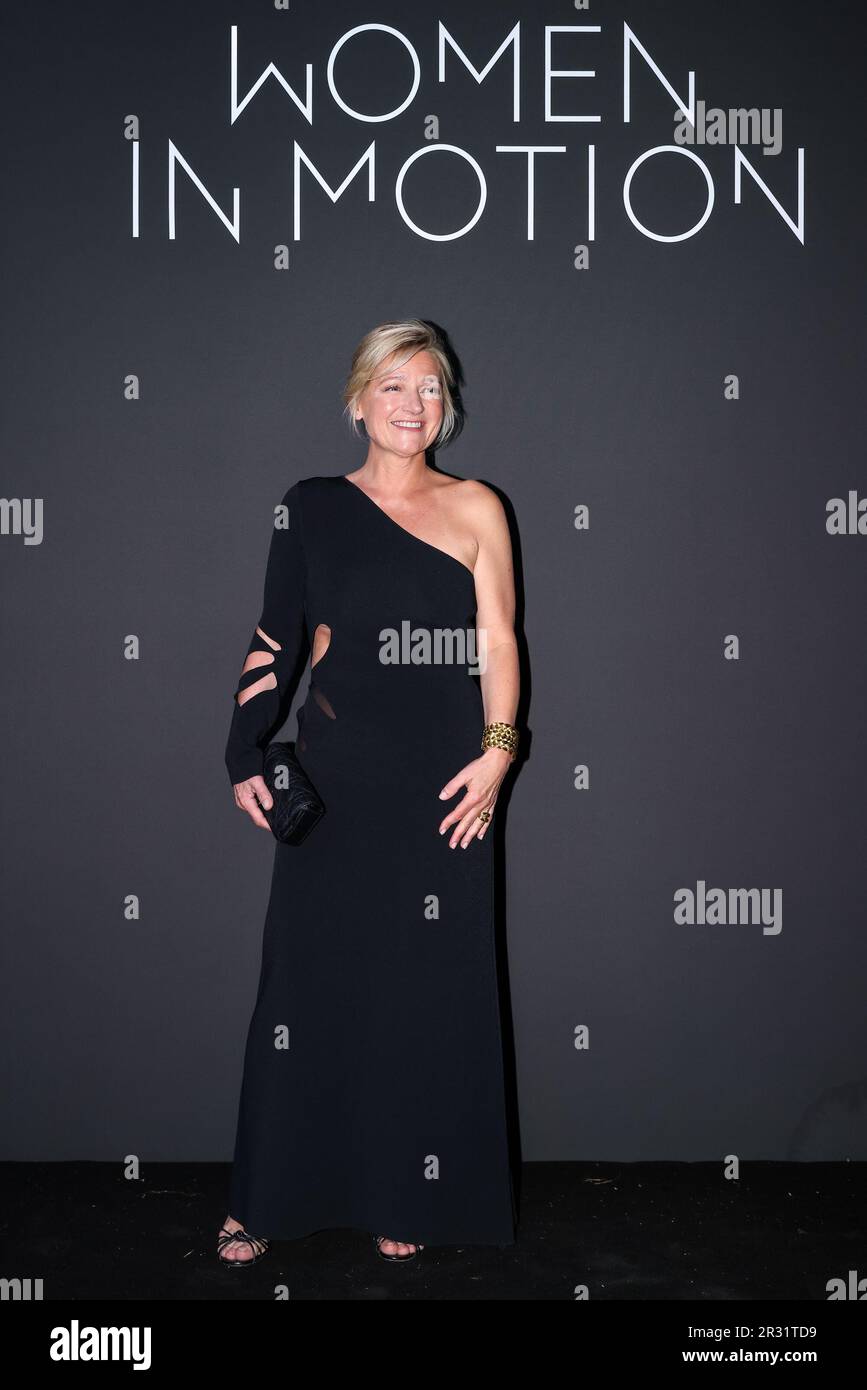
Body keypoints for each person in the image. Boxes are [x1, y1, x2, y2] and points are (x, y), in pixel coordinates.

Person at [218, 319, 521, 1266]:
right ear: (358, 401)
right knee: (304, 993)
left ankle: (409, 1193)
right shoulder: (309, 505)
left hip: (443, 782)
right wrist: (241, 753)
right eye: (393, 386)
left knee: (424, 993)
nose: (412, 404)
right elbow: (275, 639)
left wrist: (499, 751)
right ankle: (265, 1201)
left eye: (429, 388)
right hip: (341, 777)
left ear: (449, 406)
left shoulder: (478, 506)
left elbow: (501, 640)